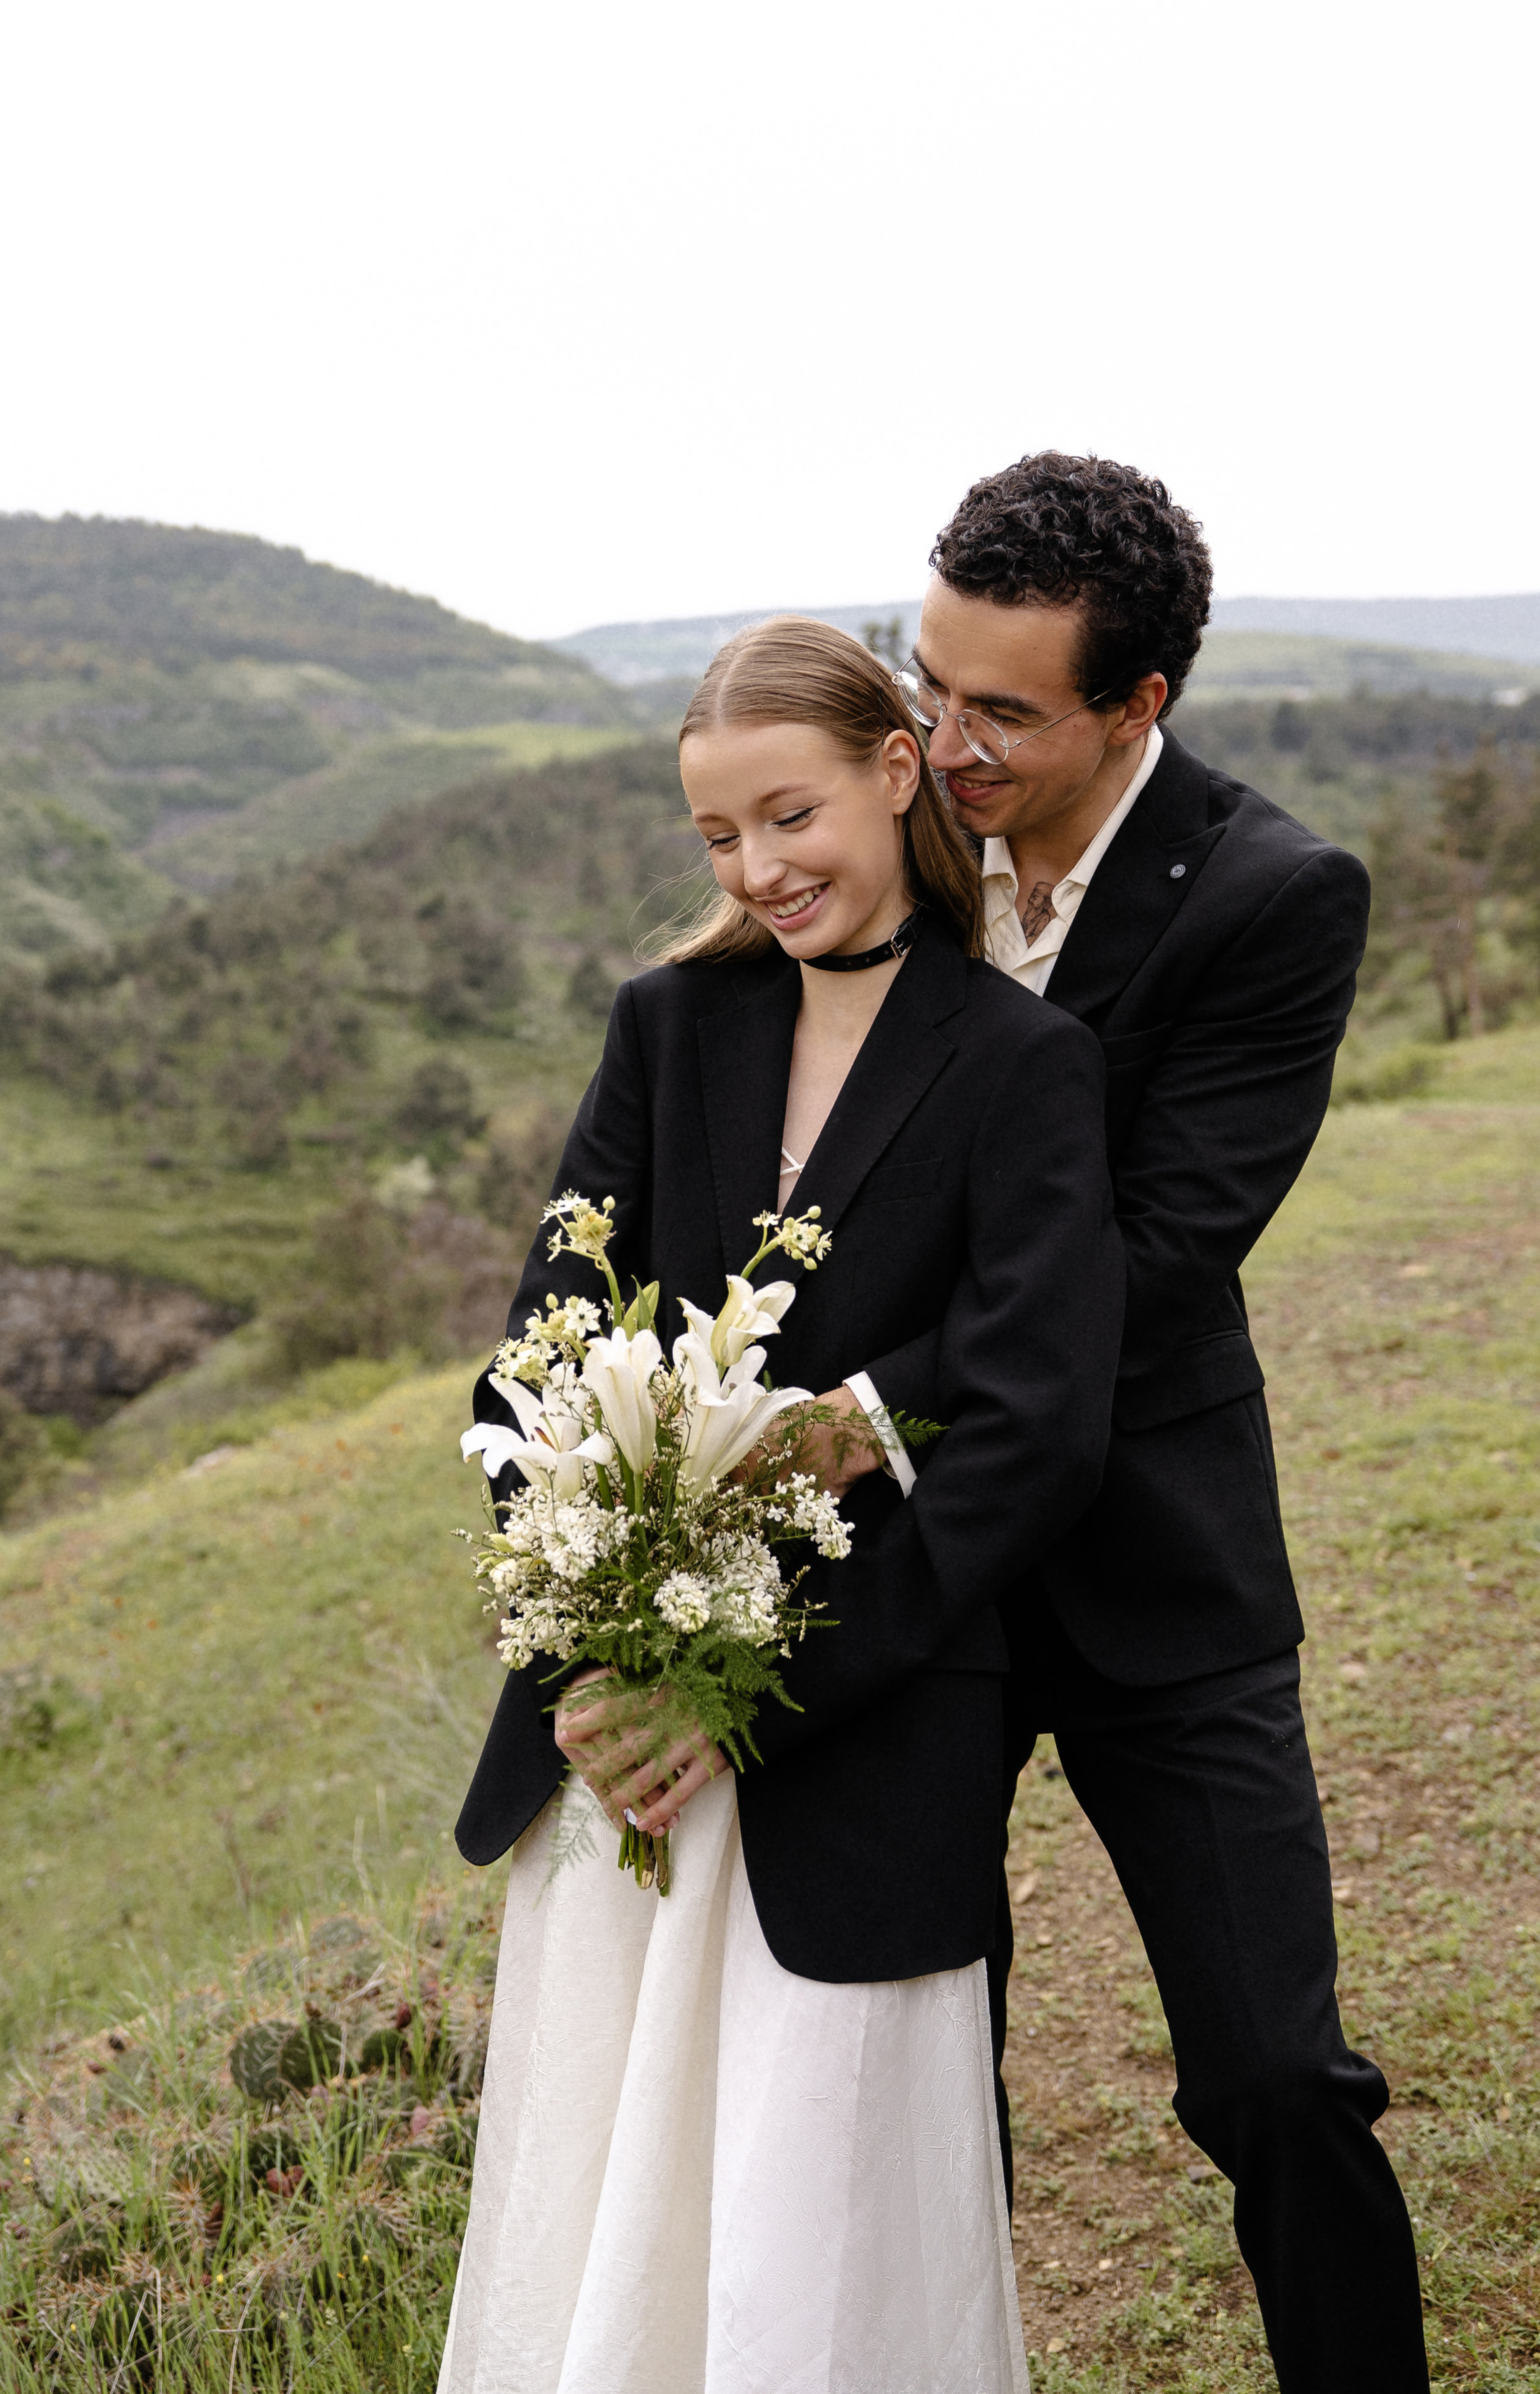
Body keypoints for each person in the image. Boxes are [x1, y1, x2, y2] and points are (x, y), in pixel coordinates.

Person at [439, 617, 1125, 2394]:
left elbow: (1038, 1428)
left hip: (866, 1738)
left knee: (816, 2251)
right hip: (612, 1758)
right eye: (720, 837)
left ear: (900, 774)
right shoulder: (666, 1025)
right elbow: (540, 1357)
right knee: (610, 2217)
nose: (760, 869)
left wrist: (746, 1702)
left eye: (791, 816)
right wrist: (590, 1641)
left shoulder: (1023, 1063)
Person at [867, 451, 1428, 2392]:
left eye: (1000, 711)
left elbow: (1158, 1259)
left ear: (1141, 705)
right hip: (919, 1578)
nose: (940, 744)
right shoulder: (895, 826)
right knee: (911, 2066)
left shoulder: (1277, 897)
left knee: (1277, 2072)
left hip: (1158, 1558)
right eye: (924, 679)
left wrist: (875, 1394)